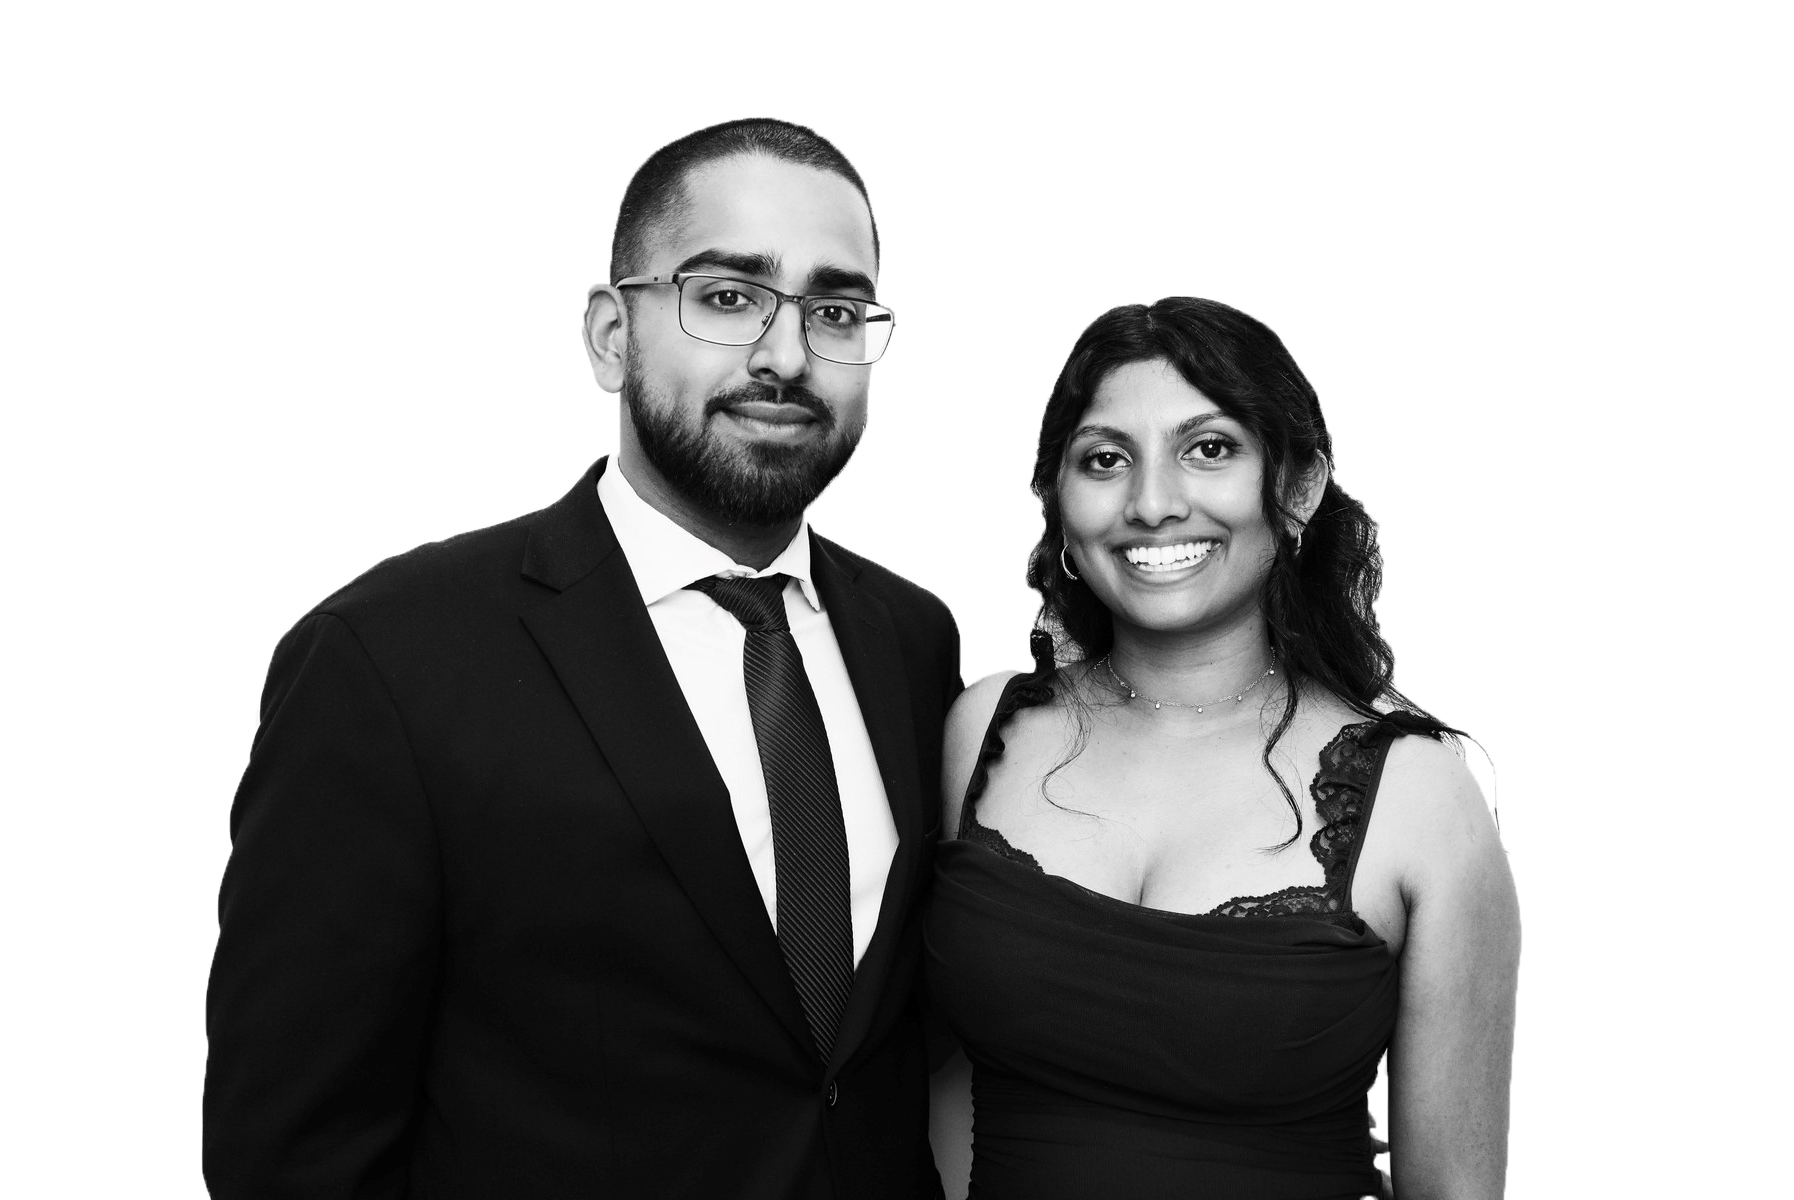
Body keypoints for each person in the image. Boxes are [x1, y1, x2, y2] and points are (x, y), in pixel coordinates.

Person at [204, 117, 962, 1199]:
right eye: (727, 296)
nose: (787, 355)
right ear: (609, 338)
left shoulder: (914, 639)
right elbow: (290, 1154)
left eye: (835, 311)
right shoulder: (385, 657)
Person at [924, 296, 1522, 1198]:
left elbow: (1455, 1189)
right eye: (1105, 459)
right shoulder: (982, 731)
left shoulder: (1420, 797)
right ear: (1059, 503)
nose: (1153, 503)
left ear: (1299, 487)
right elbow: (922, 1086)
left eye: (1209, 449)